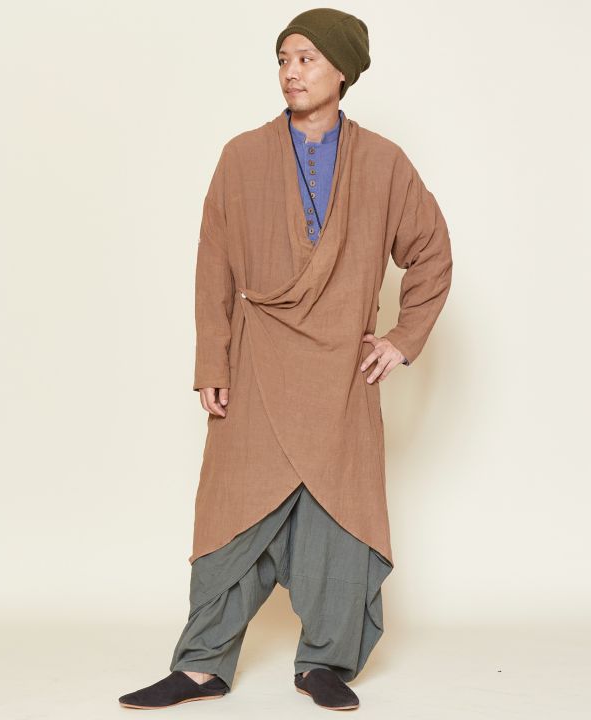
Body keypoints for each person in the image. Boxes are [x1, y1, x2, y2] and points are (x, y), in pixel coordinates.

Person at [118, 7, 452, 712]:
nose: (291, 72)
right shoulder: (241, 156)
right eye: (282, 59)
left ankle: (325, 662)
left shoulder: (385, 162)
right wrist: (213, 361)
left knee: (339, 514)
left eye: (305, 58)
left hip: (341, 372)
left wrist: (402, 338)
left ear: (342, 70)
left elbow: (430, 251)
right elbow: (213, 265)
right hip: (256, 358)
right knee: (231, 510)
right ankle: (202, 665)